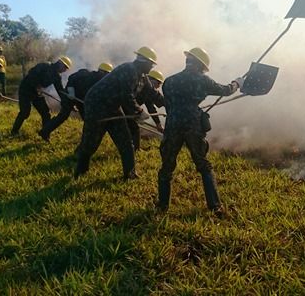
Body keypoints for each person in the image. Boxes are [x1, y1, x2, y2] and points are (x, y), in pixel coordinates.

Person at [156, 47, 244, 215]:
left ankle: (162, 206)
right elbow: (225, 90)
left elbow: (168, 105)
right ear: (201, 66)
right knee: (204, 166)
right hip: (193, 126)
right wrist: (237, 83)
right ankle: (215, 206)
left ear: (188, 61)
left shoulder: (169, 81)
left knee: (167, 166)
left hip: (172, 125)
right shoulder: (202, 80)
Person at [74, 47, 158, 180]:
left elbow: (153, 94)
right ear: (144, 62)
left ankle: (130, 174)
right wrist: (139, 111)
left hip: (113, 106)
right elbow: (127, 95)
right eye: (151, 65)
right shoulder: (128, 69)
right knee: (91, 142)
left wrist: (171, 103)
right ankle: (80, 170)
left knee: (125, 141)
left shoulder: (142, 77)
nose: (151, 68)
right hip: (97, 104)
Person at [38, 62, 113, 141]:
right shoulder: (87, 74)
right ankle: (44, 131)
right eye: (107, 74)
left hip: (81, 100)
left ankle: (87, 139)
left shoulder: (100, 82)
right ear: (102, 72)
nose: (108, 77)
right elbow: (72, 77)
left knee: (87, 119)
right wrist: (71, 91)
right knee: (63, 115)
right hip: (70, 96)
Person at [10, 56, 72, 136]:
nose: (65, 71)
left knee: (45, 113)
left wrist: (67, 102)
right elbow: (31, 73)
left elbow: (60, 90)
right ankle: (14, 132)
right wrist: (37, 85)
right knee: (25, 112)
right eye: (65, 68)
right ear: (60, 64)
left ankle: (45, 133)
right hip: (26, 90)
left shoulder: (57, 77)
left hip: (37, 93)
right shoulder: (44, 66)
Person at [127, 69, 165, 150]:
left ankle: (134, 149)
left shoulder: (146, 91)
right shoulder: (141, 86)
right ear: (152, 80)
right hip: (125, 109)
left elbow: (151, 108)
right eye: (158, 83)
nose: (158, 87)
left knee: (133, 128)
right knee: (133, 128)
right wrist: (138, 112)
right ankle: (134, 149)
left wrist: (158, 124)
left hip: (130, 111)